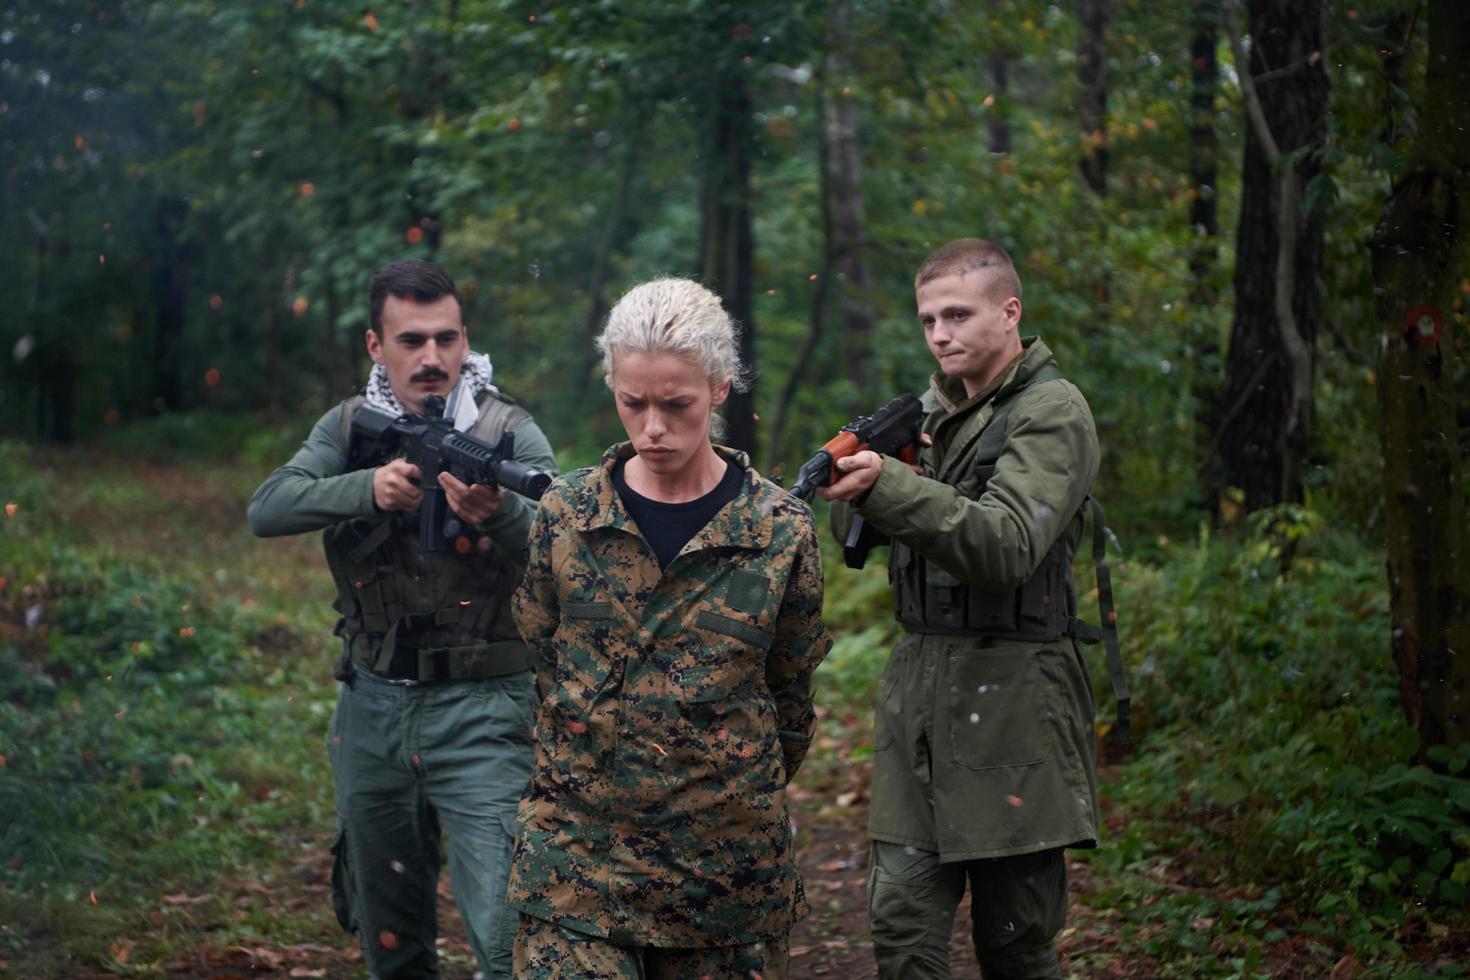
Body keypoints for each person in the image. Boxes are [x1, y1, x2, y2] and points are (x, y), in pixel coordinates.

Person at [506, 277, 833, 978]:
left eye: (675, 404)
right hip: (577, 873)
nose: (652, 427)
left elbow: (790, 696)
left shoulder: (778, 531)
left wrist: (719, 779)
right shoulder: (566, 517)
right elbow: (543, 657)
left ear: (719, 388)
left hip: (725, 885)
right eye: (633, 403)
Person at [247, 259, 556, 979]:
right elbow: (267, 507)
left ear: (464, 339)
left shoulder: (506, 427)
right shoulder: (351, 426)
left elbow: (574, 540)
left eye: (446, 339)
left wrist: (504, 514)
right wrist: (370, 488)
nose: (432, 358)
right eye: (411, 340)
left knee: (510, 935)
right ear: (374, 346)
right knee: (388, 934)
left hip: (486, 709)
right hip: (373, 708)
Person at [818, 238, 1102, 979]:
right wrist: (868, 491)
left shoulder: (1051, 412)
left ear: (1009, 314)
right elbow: (869, 540)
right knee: (903, 933)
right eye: (926, 319)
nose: (939, 333)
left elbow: (1007, 545)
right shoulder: (932, 413)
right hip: (920, 694)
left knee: (1016, 942)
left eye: (957, 314)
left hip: (1014, 698)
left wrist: (891, 486)